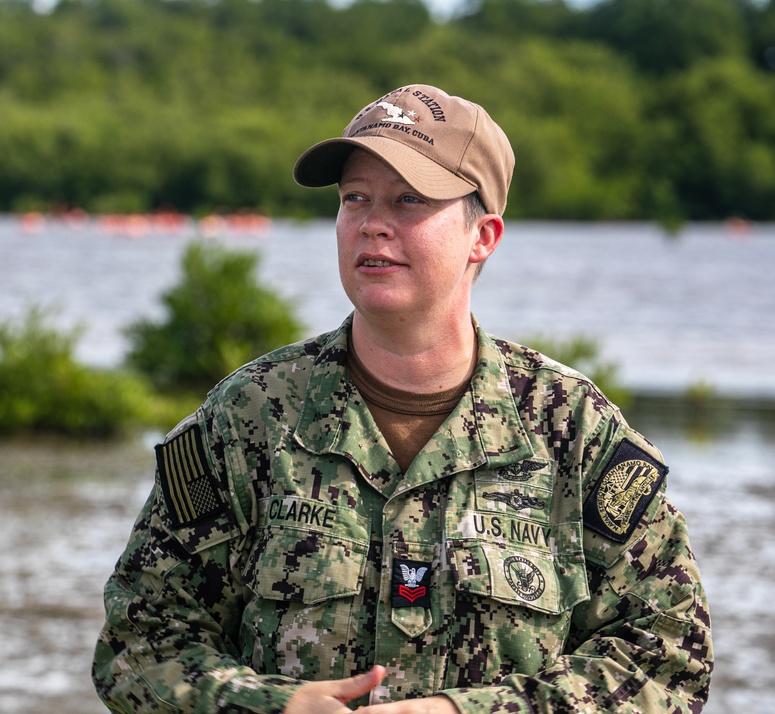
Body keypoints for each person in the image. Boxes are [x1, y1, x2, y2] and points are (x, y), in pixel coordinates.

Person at [92, 83, 713, 713]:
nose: (372, 223)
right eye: (354, 198)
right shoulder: (248, 417)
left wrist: (462, 713)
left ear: (483, 237)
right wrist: (270, 707)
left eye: (409, 199)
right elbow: (138, 645)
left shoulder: (571, 430)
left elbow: (666, 659)